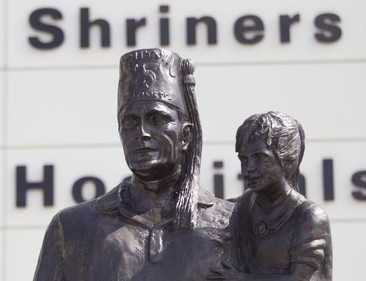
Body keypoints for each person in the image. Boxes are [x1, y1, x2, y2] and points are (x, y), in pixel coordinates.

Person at [34, 48, 234, 281]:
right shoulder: (72, 228)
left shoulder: (231, 224)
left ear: (186, 135)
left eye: (157, 119)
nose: (142, 133)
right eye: (130, 121)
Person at [207, 111, 332, 281]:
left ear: (287, 159)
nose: (248, 168)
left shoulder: (308, 216)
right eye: (243, 159)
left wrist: (241, 279)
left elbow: (299, 279)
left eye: (259, 158)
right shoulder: (243, 205)